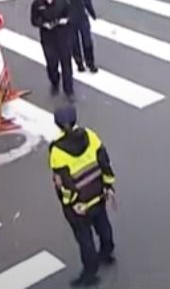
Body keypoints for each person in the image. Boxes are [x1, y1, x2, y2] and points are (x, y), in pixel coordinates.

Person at [49, 105, 116, 287]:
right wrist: (108, 184)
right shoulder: (90, 135)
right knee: (102, 223)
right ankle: (107, 252)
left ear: (58, 125)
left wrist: (69, 202)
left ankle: (90, 272)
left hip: (79, 204)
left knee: (84, 237)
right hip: (98, 193)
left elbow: (63, 181)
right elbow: (104, 161)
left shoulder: (57, 151)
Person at [30, 0, 73, 98]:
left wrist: (66, 20)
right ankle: (55, 82)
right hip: (48, 38)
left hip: (63, 36)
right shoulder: (37, 4)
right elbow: (34, 20)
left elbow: (70, 13)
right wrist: (43, 24)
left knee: (66, 64)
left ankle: (69, 90)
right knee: (52, 63)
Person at [58, 0, 97, 73]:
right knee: (74, 43)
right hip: (71, 20)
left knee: (87, 41)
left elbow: (86, 0)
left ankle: (90, 63)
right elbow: (59, 4)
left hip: (82, 17)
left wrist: (92, 13)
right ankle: (79, 63)